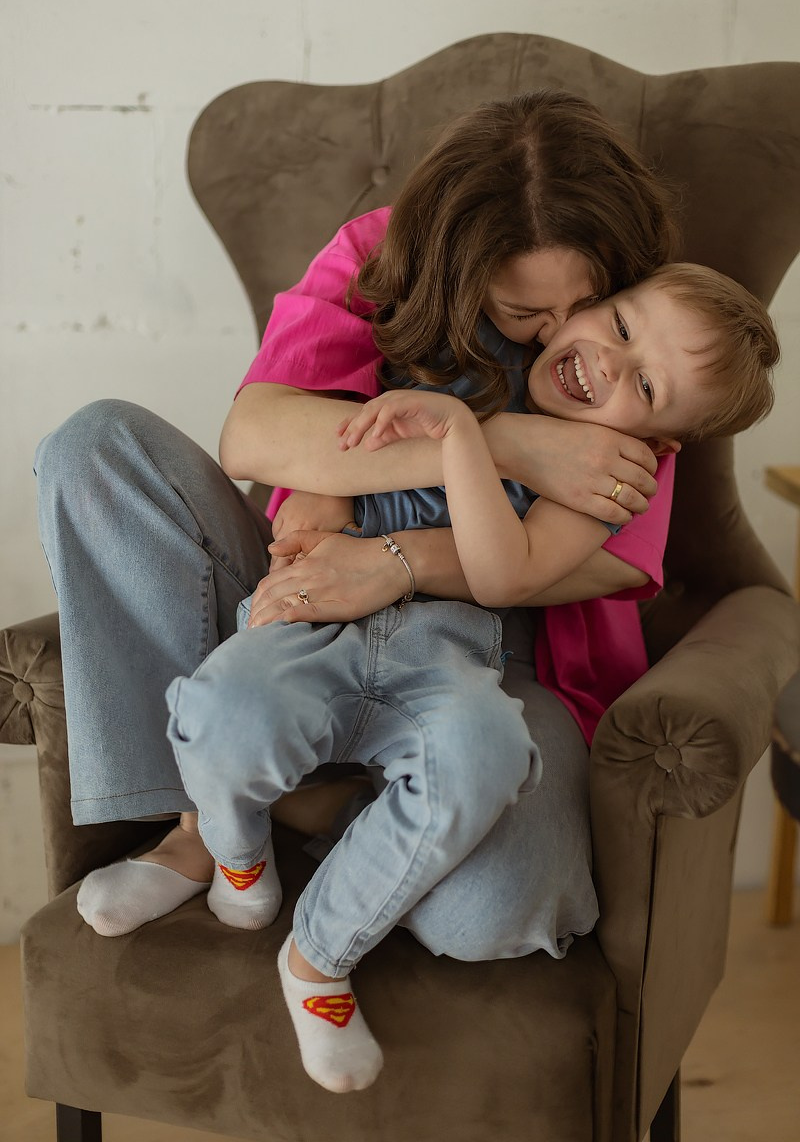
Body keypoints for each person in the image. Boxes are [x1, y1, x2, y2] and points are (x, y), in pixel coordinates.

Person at [36, 90, 678, 1080]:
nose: (561, 342)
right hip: (303, 609)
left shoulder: (646, 354)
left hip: (496, 660)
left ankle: (318, 807)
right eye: (520, 314)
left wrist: (389, 564)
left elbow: (581, 563)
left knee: (495, 918)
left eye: (580, 307)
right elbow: (256, 435)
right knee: (94, 446)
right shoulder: (380, 258)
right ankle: (199, 828)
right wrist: (491, 439)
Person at [161, 262, 777, 1094]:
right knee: (232, 705)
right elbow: (316, 434)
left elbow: (505, 576)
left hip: (470, 648)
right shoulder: (441, 307)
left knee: (491, 889)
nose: (607, 364)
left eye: (646, 384)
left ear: (661, 444)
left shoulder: (612, 476)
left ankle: (319, 928)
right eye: (623, 328)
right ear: (596, 300)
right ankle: (227, 838)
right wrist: (323, 494)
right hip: (326, 614)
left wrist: (459, 438)